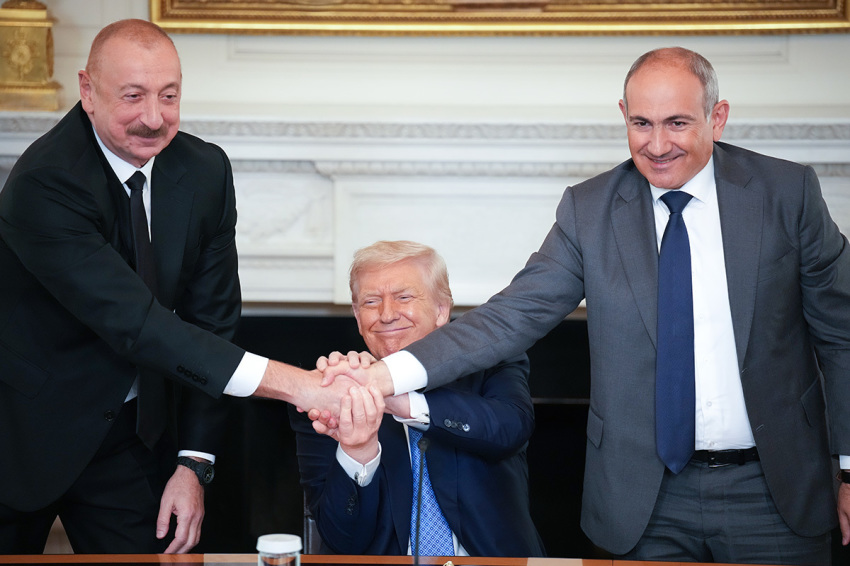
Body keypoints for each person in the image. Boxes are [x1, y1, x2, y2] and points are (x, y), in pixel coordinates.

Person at [320, 48, 850, 564]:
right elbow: (512, 316)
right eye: (641, 123)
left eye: (678, 123)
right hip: (645, 499)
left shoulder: (787, 193)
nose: (658, 144)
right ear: (623, 117)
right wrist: (382, 378)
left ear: (718, 117)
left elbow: (841, 333)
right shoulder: (589, 209)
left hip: (775, 490)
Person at [0, 19, 352, 554]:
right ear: (87, 91)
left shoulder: (204, 170)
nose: (153, 117)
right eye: (133, 96)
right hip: (20, 434)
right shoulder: (44, 183)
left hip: (130, 437)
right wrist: (299, 385)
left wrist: (193, 464)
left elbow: (213, 324)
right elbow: (142, 325)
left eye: (169, 95)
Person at [291, 241, 545, 557]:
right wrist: (357, 451)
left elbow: (510, 428)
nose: (386, 315)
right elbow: (342, 541)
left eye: (404, 297)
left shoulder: (491, 362)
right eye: (371, 302)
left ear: (442, 310)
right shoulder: (330, 393)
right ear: (357, 317)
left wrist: (400, 400)